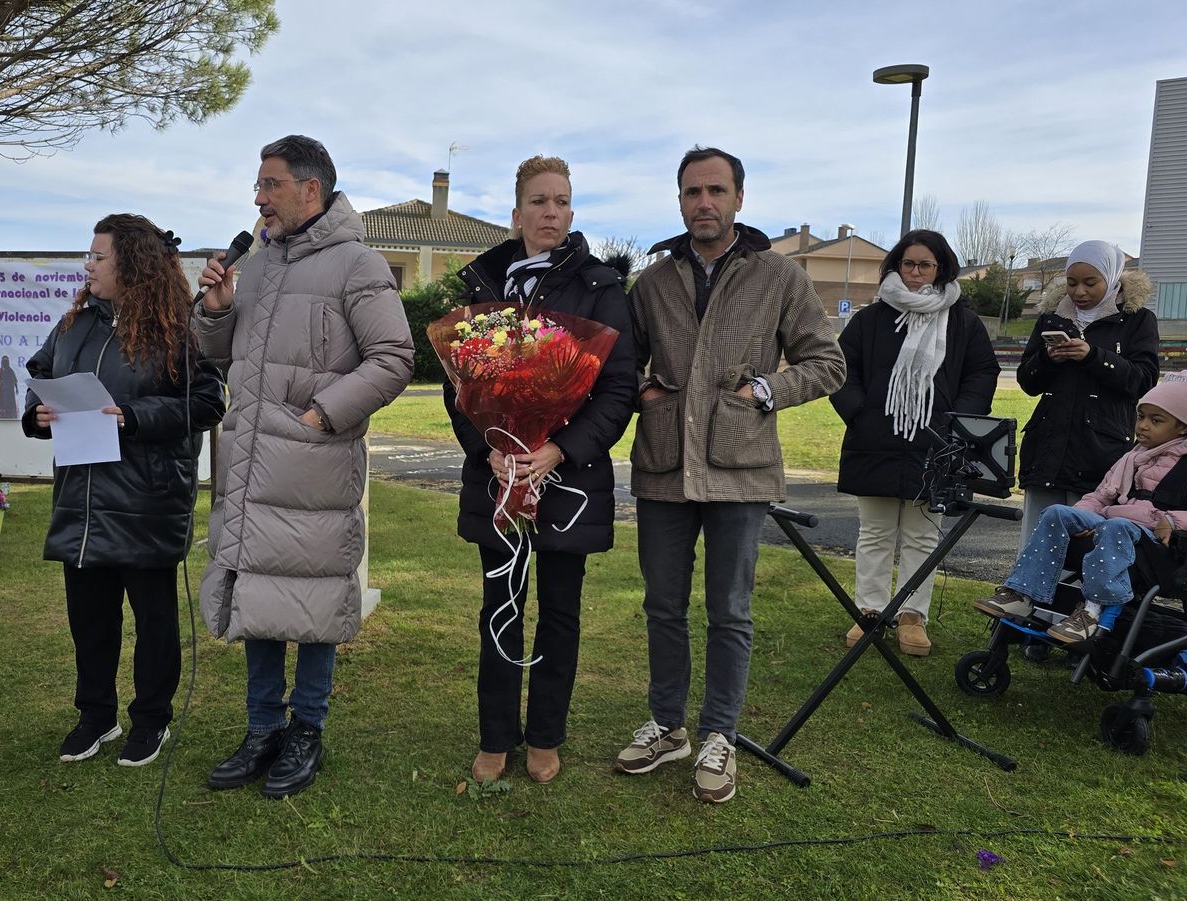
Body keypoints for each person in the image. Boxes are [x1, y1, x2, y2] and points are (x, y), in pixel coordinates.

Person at [615, 146, 845, 803]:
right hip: (664, 465)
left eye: (716, 190)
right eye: (693, 191)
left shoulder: (779, 276)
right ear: (679, 200)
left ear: (739, 198)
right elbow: (619, 362)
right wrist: (642, 391)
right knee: (662, 604)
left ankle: (720, 733)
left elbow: (827, 362)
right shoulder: (652, 283)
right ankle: (668, 724)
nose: (704, 202)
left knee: (730, 610)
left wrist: (764, 391)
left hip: (741, 467)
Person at [194, 135, 413, 799]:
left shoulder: (358, 263)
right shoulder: (257, 265)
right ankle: (262, 729)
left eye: (271, 184)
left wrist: (322, 415)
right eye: (258, 185)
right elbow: (223, 356)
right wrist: (216, 310)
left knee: (314, 595)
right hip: (251, 465)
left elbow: (394, 357)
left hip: (314, 466)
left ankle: (307, 729)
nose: (258, 198)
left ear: (310, 189)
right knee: (257, 591)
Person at [445, 155, 637, 785]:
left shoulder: (601, 287)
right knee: (499, 605)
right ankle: (495, 735)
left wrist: (558, 451)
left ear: (572, 212)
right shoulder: (485, 285)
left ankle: (547, 733)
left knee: (559, 609)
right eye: (538, 201)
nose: (550, 212)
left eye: (560, 201)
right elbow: (457, 387)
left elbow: (618, 389)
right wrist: (489, 448)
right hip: (500, 476)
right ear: (517, 213)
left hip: (568, 478)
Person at [22, 213, 226, 767]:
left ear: (131, 264)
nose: (87, 266)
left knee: (154, 620)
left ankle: (152, 719)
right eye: (87, 255)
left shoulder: (176, 328)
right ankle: (96, 716)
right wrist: (36, 414)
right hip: (82, 501)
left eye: (98, 256)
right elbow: (42, 373)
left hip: (147, 500)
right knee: (89, 617)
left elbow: (207, 402)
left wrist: (132, 417)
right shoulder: (74, 324)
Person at [977, 371, 1187, 644]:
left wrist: (1174, 521)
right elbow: (1100, 497)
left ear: (1183, 427)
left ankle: (1092, 612)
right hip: (1114, 529)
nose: (1142, 426)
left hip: (1156, 547)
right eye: (1140, 416)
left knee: (1116, 526)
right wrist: (1082, 516)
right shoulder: (1133, 457)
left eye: (1156, 420)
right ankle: (1022, 595)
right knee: (1057, 513)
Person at [831, 230, 999, 656]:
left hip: (935, 443)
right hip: (875, 439)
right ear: (896, 266)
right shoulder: (870, 319)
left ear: (941, 268)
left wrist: (954, 422)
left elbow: (982, 372)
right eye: (908, 264)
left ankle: (911, 616)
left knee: (922, 536)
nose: (916, 273)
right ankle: (869, 612)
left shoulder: (963, 321)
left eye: (926, 265)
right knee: (875, 532)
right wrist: (861, 413)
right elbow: (840, 370)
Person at [1016, 240, 1158, 550]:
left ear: (1112, 278)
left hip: (1101, 452)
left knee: (1087, 547)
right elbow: (1027, 381)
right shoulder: (1051, 317)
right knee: (1036, 543)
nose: (1079, 292)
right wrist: (1047, 359)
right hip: (1047, 450)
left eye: (1090, 283)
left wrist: (1093, 356)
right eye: (1071, 283)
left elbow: (1144, 380)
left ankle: (1080, 586)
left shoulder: (1137, 319)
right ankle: (1031, 584)